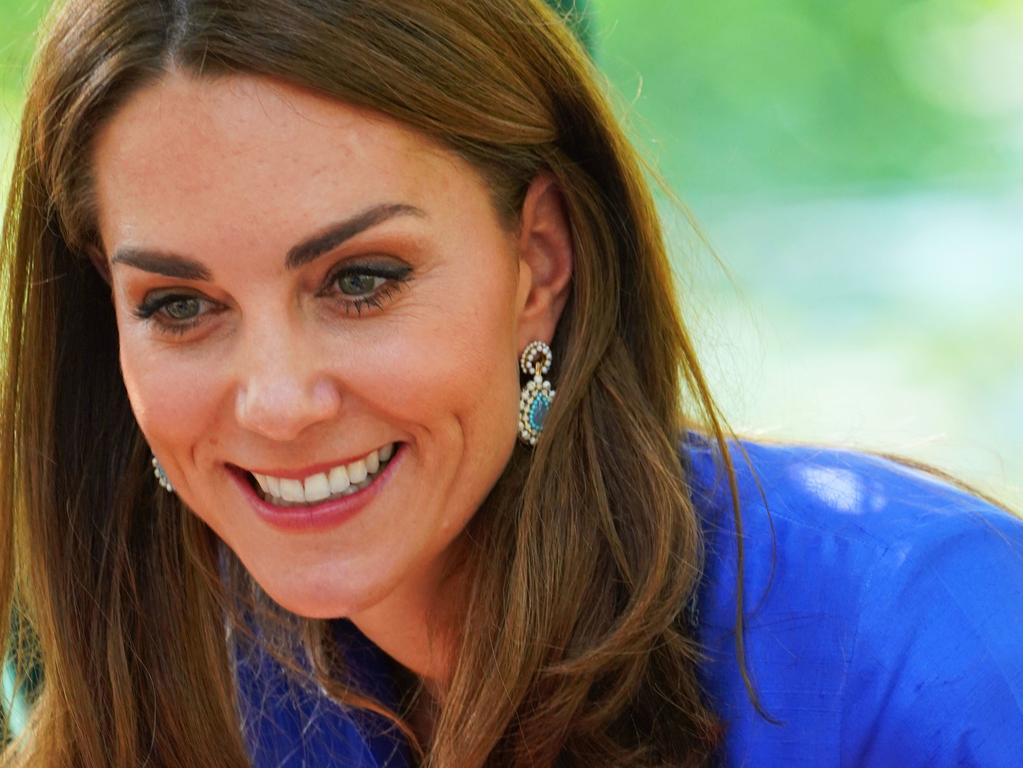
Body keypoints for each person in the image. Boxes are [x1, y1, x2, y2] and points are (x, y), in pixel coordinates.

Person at [1, 1, 1021, 766]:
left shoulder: (931, 645)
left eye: (361, 282)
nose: (273, 400)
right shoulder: (185, 693)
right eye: (179, 305)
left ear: (540, 261)